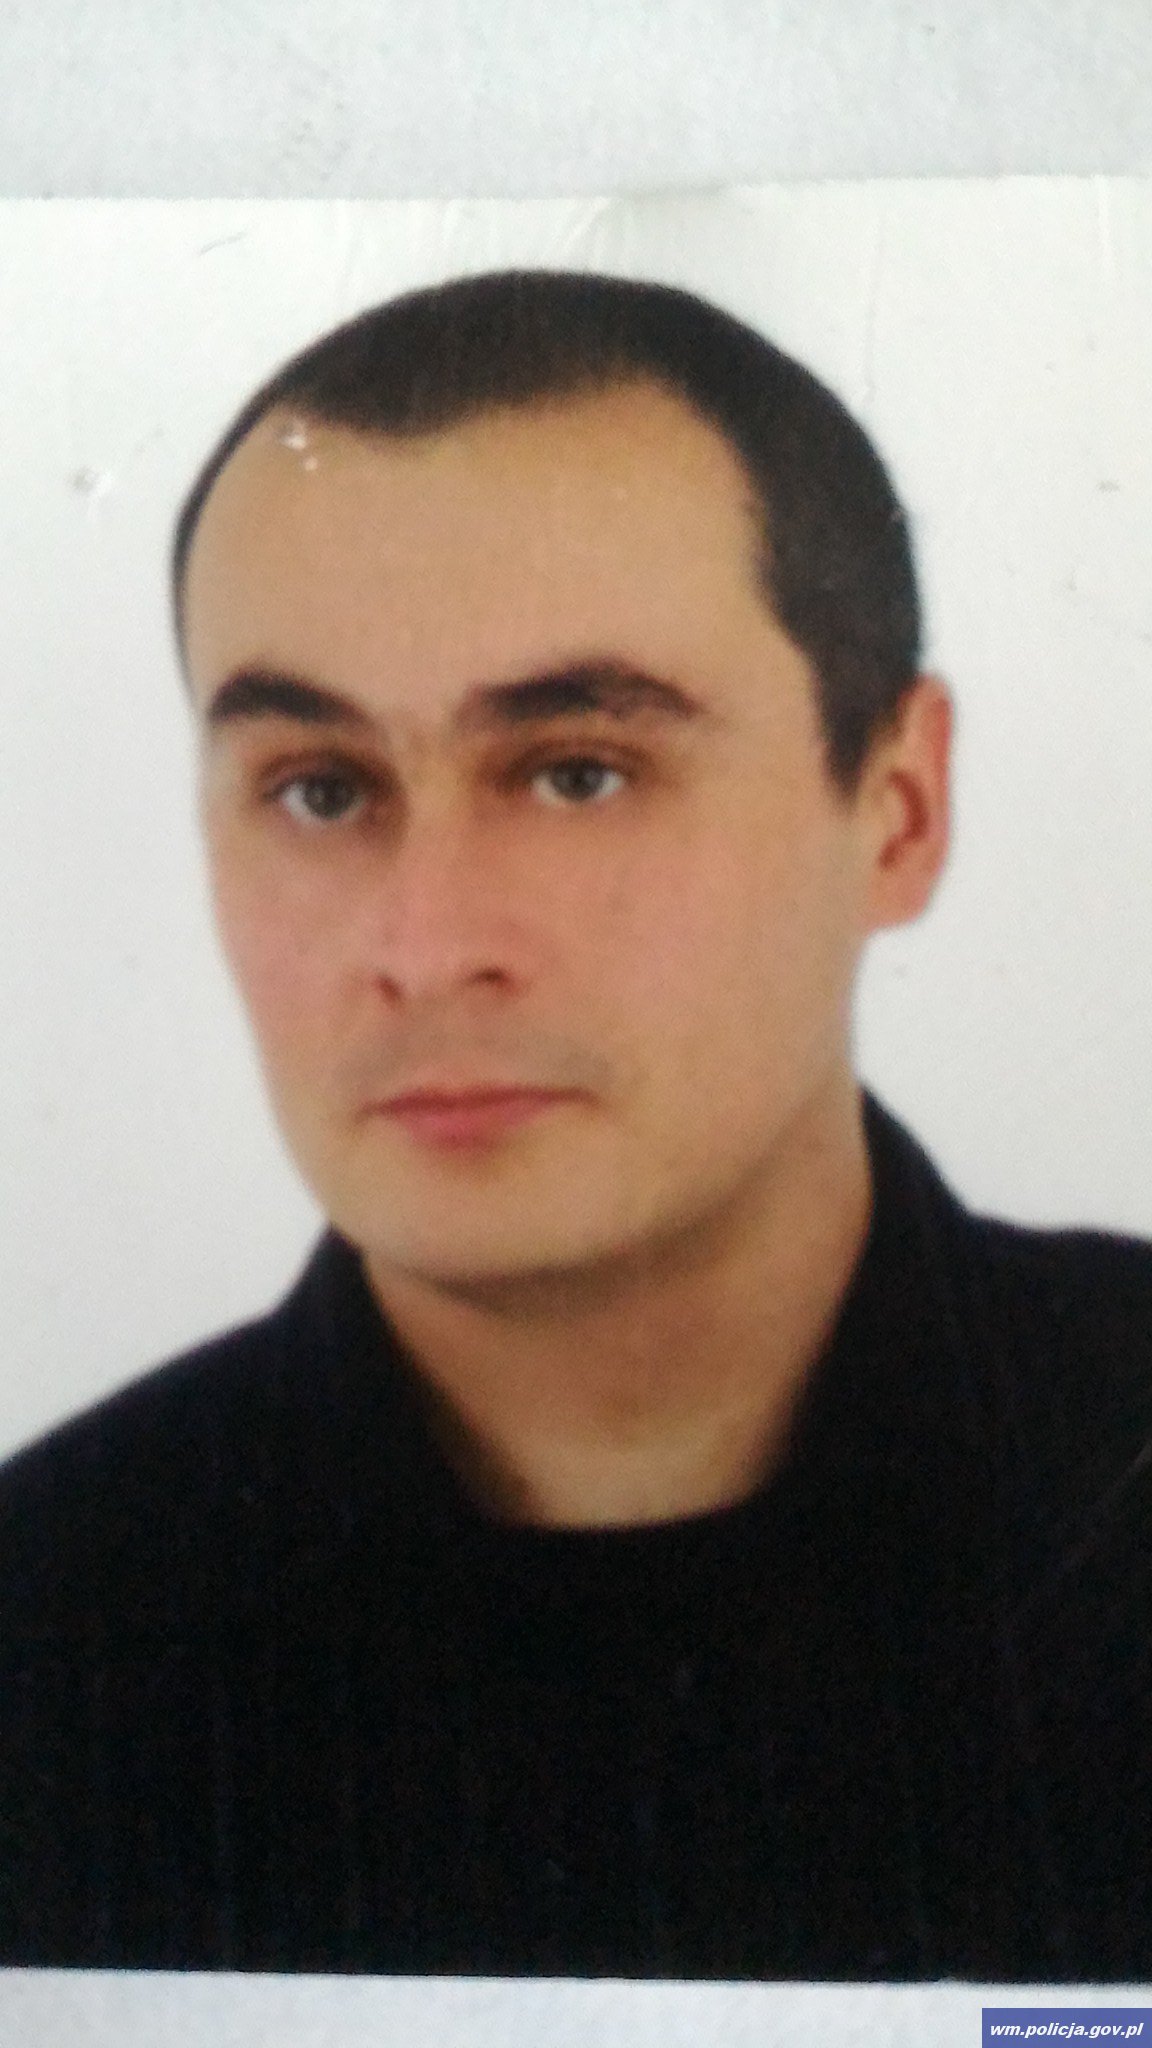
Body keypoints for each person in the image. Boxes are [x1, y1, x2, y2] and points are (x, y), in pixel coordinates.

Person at [1, 270, 1148, 1980]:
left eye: (578, 771)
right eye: (322, 788)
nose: (425, 944)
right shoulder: (43, 1644)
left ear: (899, 810)